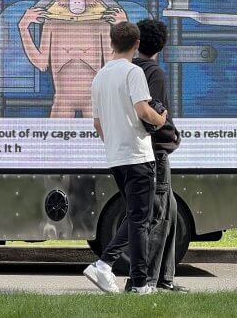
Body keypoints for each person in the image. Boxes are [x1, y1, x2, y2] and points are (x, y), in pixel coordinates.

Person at [83, 21, 167, 294]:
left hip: (116, 157)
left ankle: (110, 268)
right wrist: (161, 118)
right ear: (137, 44)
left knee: (135, 216)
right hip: (138, 154)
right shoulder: (133, 73)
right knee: (140, 219)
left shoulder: (99, 76)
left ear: (111, 43)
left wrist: (114, 142)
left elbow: (97, 123)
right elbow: (143, 110)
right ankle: (132, 279)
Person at [131, 18, 188, 293]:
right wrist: (172, 136)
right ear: (162, 46)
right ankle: (147, 282)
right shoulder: (154, 73)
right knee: (159, 218)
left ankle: (165, 279)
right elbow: (155, 117)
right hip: (156, 154)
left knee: (171, 213)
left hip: (142, 152)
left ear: (137, 42)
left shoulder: (131, 70)